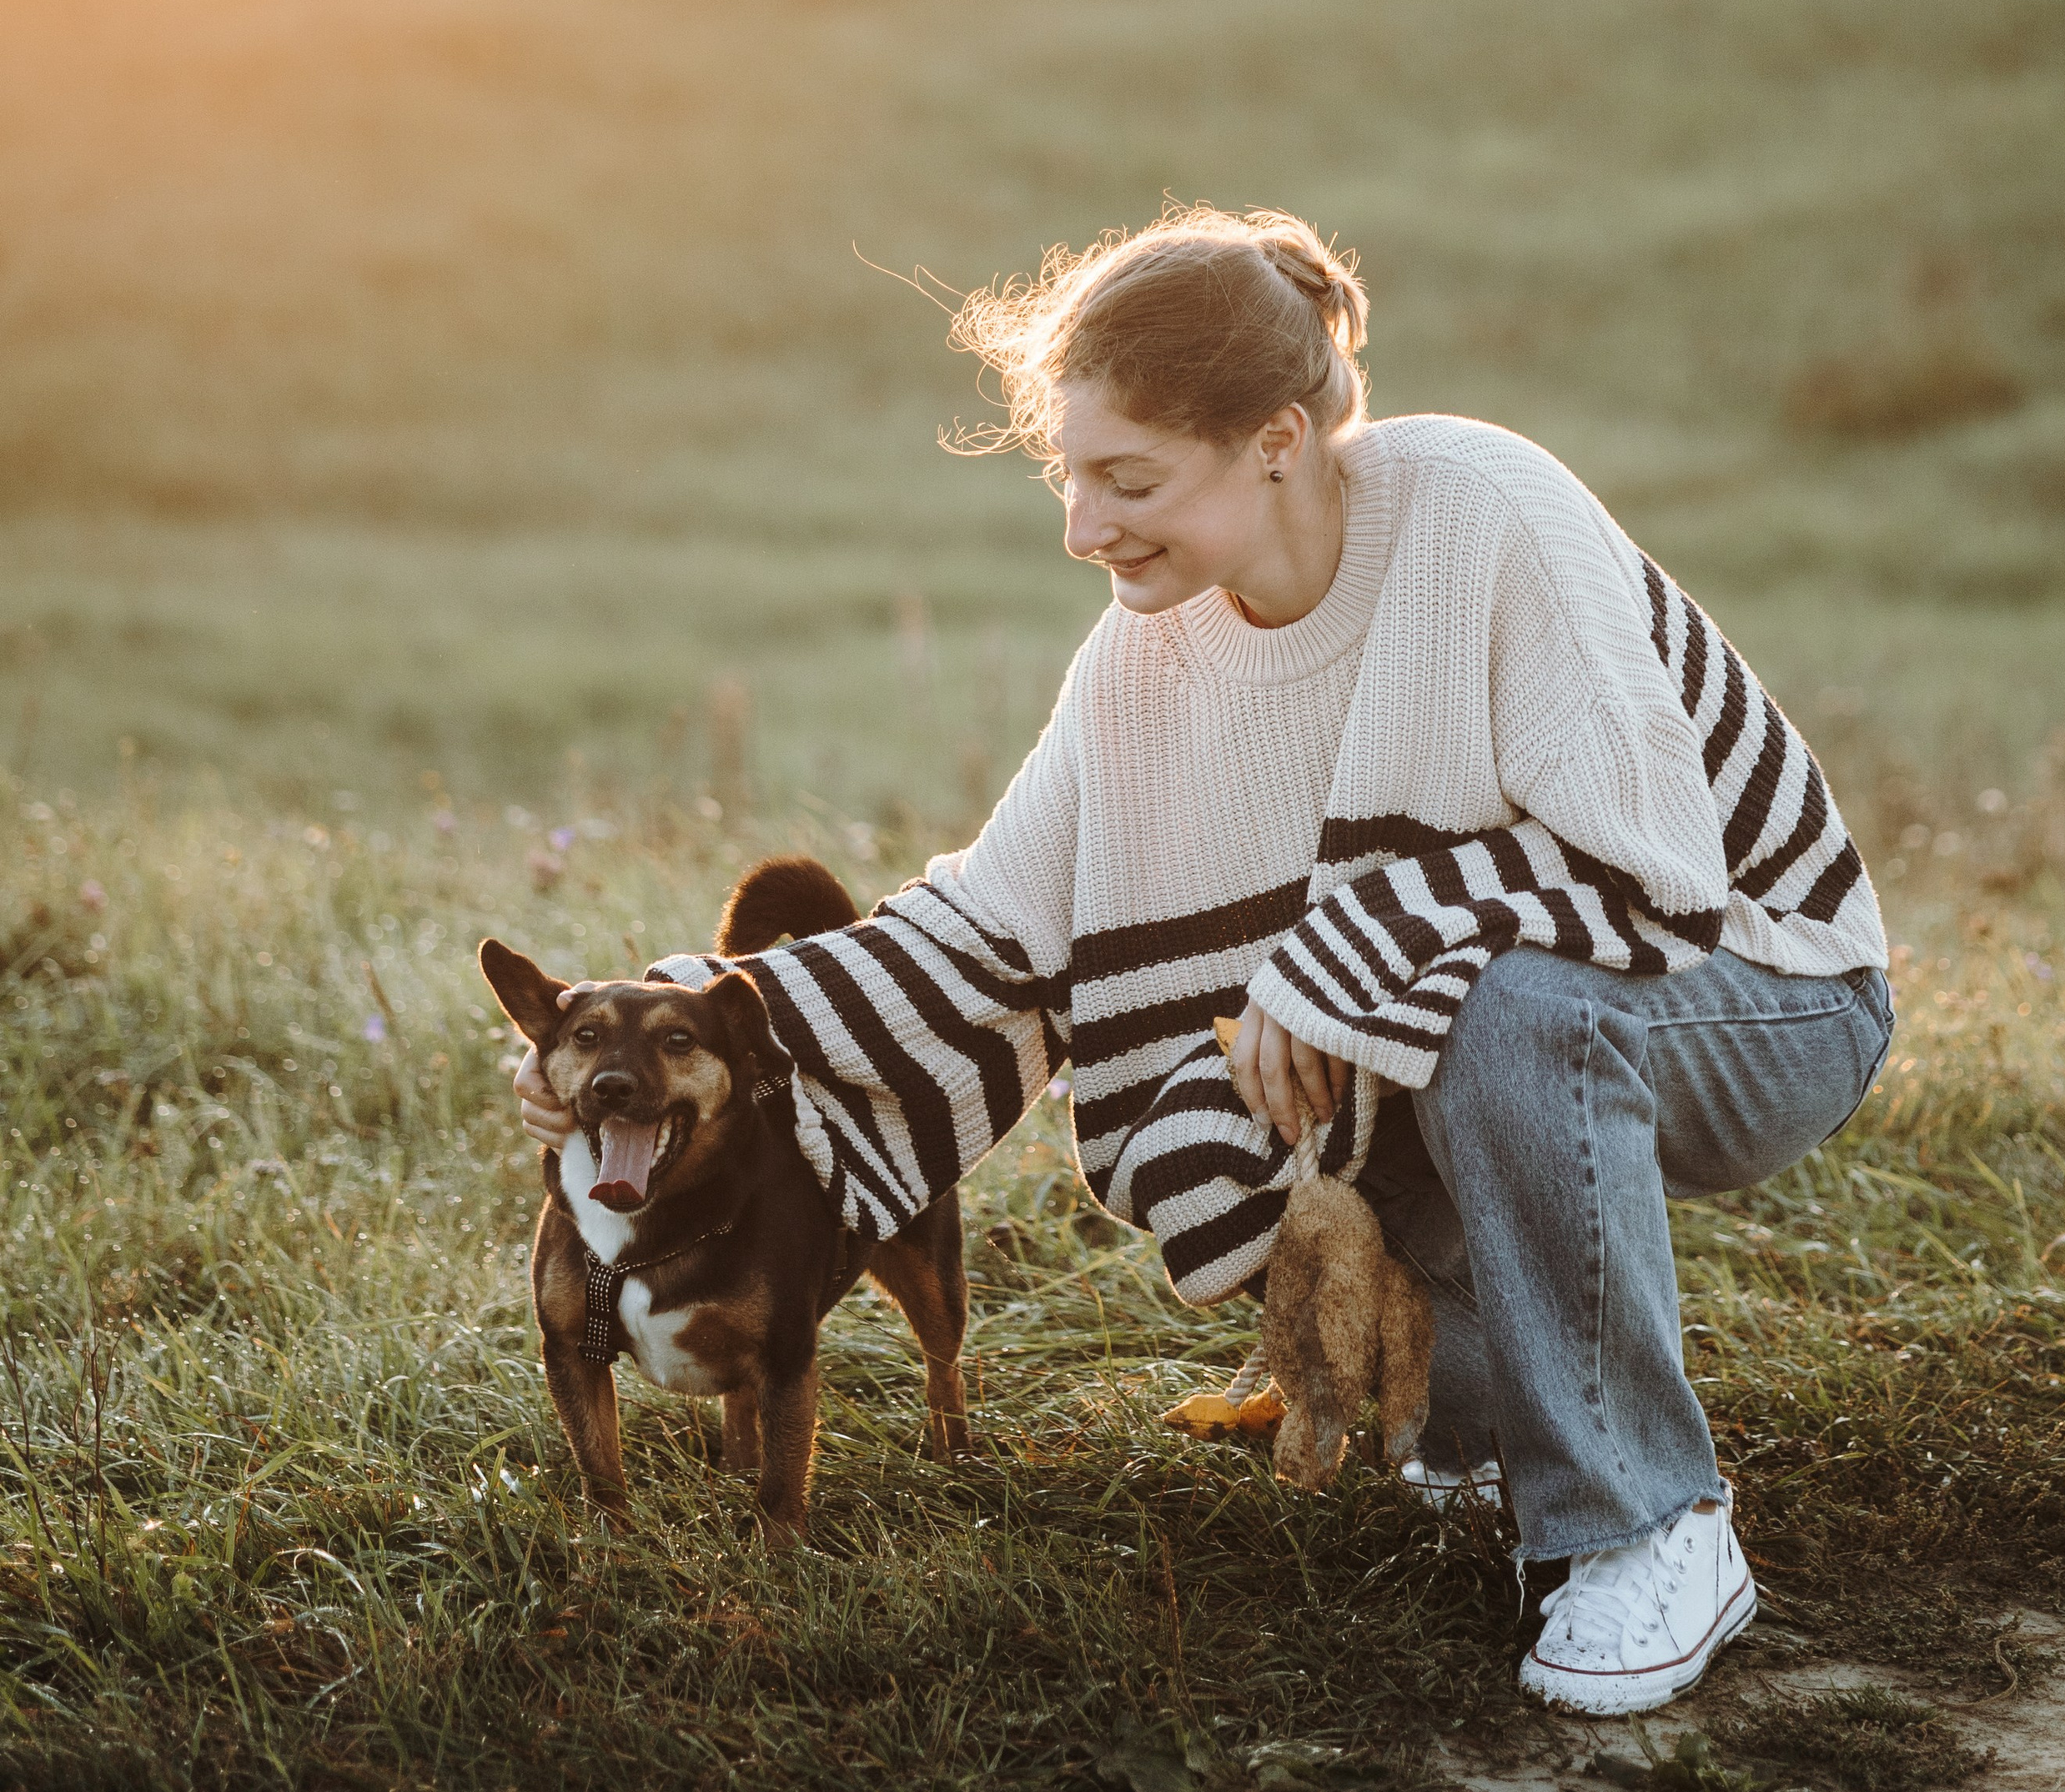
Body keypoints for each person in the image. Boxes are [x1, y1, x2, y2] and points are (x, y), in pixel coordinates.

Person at [515, 207, 1892, 1714]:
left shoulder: (1485, 509)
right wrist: (674, 1027)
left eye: (1131, 480)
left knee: (1496, 1006)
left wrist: (1334, 955)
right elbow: (987, 935)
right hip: (1486, 1022)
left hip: (1761, 992)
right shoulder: (1143, 657)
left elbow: (1651, 866)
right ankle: (1488, 1436)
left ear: (1279, 442)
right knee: (1317, 1092)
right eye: (1068, 477)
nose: (1082, 528)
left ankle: (1648, 1526)